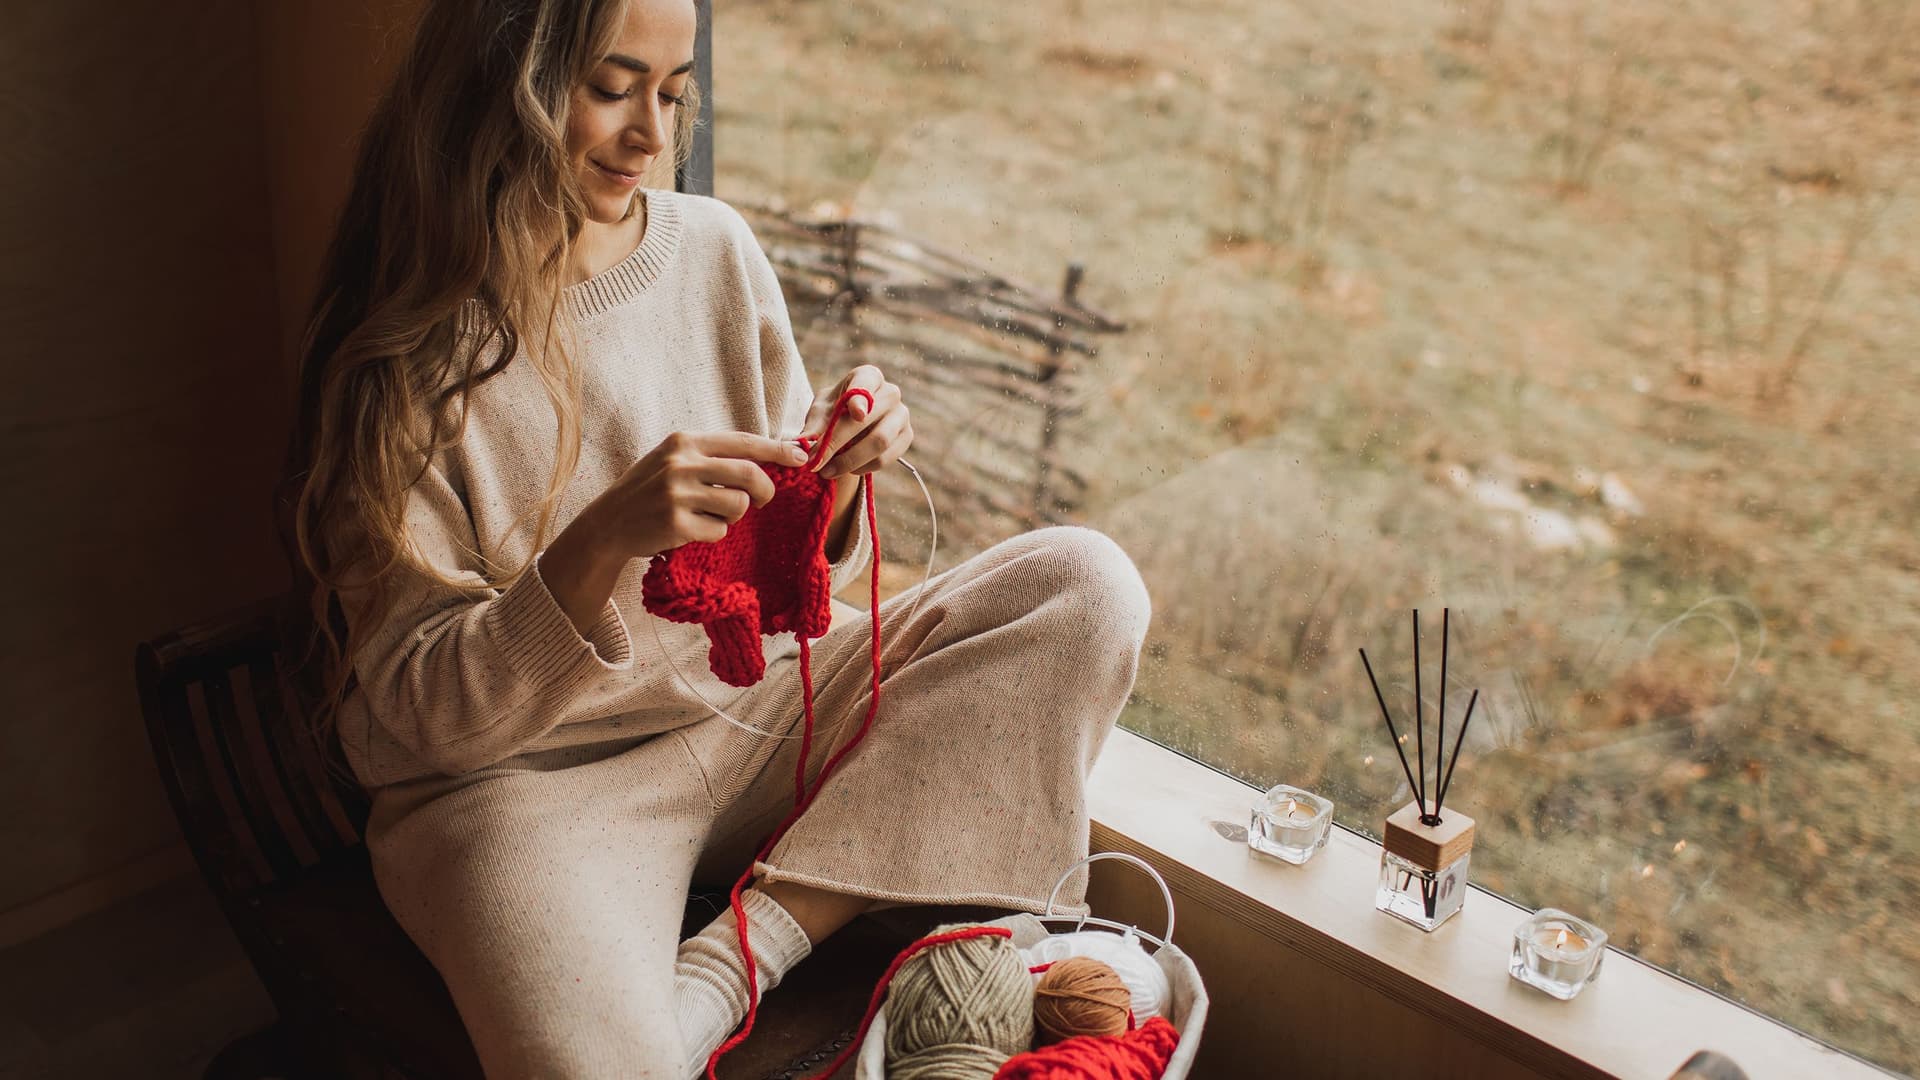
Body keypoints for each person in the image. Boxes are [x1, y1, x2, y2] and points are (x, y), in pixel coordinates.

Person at [279, 0, 1151, 1076]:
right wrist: (595, 547)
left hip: (754, 713)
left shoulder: (714, 250)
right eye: (610, 86)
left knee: (1084, 584)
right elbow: (422, 716)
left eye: (675, 90)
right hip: (526, 790)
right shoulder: (404, 364)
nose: (653, 134)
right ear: (502, 84)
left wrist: (826, 483)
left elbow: (784, 583)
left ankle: (740, 960)